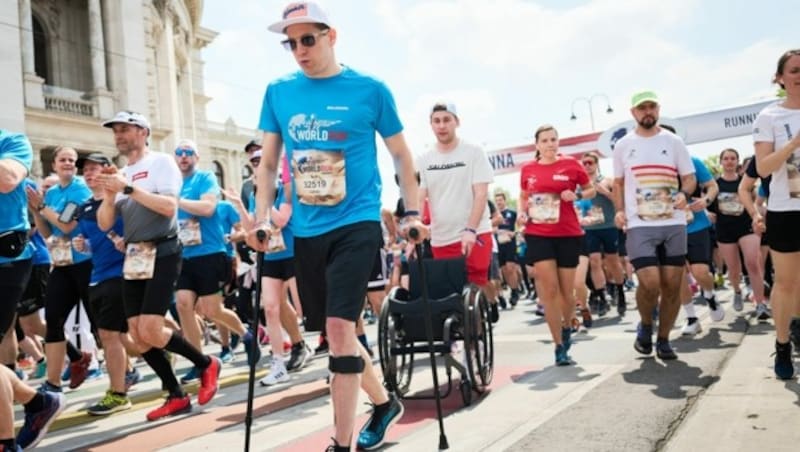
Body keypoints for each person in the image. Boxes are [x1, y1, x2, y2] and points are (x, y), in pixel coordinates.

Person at [248, 3, 425, 450]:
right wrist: (264, 218)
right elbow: (267, 164)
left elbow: (402, 155)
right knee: (335, 334)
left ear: (332, 36)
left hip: (357, 221)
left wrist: (411, 213)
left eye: (309, 39)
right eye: (291, 43)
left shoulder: (370, 89)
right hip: (306, 230)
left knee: (342, 331)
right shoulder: (279, 91)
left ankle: (340, 445)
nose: (300, 50)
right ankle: (384, 404)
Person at [96, 111, 221, 421]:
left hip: (164, 248)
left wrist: (127, 189)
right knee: (137, 337)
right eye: (116, 131)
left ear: (143, 131)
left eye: (125, 129)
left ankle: (206, 363)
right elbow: (104, 223)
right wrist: (111, 196)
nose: (119, 135)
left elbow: (168, 207)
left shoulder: (162, 162)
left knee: (152, 328)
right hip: (136, 256)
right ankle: (175, 394)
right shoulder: (123, 172)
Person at [612, 91, 696, 361]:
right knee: (649, 282)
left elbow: (689, 178)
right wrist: (620, 211)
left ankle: (663, 340)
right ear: (633, 112)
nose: (647, 111)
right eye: (642, 108)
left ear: (658, 109)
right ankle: (646, 324)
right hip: (640, 224)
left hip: (673, 221)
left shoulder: (673, 141)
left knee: (672, 284)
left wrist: (685, 194)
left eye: (651, 106)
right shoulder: (623, 145)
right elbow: (618, 183)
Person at [172, 138, 259, 384]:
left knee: (212, 310)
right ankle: (199, 362)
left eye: (189, 152)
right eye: (179, 153)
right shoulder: (173, 184)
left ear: (196, 158)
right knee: (183, 304)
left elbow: (208, 208)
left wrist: (175, 201)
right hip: (184, 255)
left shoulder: (205, 178)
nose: (184, 157)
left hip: (211, 253)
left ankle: (246, 334)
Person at [518, 125, 594, 365]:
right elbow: (522, 196)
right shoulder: (528, 169)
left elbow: (590, 189)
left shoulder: (571, 165)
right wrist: (522, 213)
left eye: (554, 139)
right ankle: (559, 345)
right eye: (545, 140)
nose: (551, 144)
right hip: (538, 233)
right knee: (549, 291)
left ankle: (568, 324)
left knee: (566, 292)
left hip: (567, 234)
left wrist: (578, 196)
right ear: (537, 145)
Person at [417, 102, 497, 321]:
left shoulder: (473, 152)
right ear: (431, 125)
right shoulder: (424, 159)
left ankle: (475, 342)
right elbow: (419, 195)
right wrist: (414, 225)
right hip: (442, 237)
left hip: (475, 232)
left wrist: (470, 229)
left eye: (446, 120)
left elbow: (480, 193)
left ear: (456, 122)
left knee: (473, 290)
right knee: (450, 294)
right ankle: (457, 338)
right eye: (437, 121)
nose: (442, 126)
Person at [26, 146, 94, 392]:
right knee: (53, 320)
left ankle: (126, 370)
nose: (68, 163)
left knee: (100, 325)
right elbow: (47, 232)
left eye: (71, 160)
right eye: (63, 160)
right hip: (62, 265)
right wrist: (36, 210)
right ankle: (53, 383)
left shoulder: (80, 189)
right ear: (53, 164)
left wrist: (42, 206)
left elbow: (66, 225)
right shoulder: (52, 193)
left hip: (86, 264)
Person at [753, 49, 800, 380]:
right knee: (786, 283)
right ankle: (783, 344)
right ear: (781, 77)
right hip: (786, 209)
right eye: (795, 70)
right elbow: (763, 167)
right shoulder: (769, 117)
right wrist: (792, 145)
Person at [711, 148, 769, 316]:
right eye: (726, 158)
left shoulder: (746, 182)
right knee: (734, 269)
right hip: (725, 229)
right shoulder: (715, 184)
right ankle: (737, 291)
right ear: (721, 162)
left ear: (737, 162)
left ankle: (760, 304)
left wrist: (757, 217)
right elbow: (706, 204)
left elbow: (756, 201)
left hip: (745, 226)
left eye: (733, 158)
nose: (729, 161)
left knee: (753, 263)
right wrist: (709, 214)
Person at [579, 152, 627, 316]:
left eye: (590, 163)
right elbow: (576, 205)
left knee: (613, 262)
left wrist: (605, 191)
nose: (587, 166)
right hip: (590, 228)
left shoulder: (607, 180)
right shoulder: (580, 186)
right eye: (584, 163)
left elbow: (619, 201)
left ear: (596, 164)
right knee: (594, 261)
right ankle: (602, 298)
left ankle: (620, 292)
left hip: (608, 226)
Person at [494, 192, 524, 306]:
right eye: (497, 201)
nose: (499, 202)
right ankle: (513, 288)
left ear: (504, 200)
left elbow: (521, 226)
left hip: (510, 243)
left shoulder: (512, 213)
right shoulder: (494, 215)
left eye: (500, 200)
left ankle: (515, 292)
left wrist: (514, 233)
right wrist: (498, 231)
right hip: (499, 244)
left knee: (510, 267)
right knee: (504, 270)